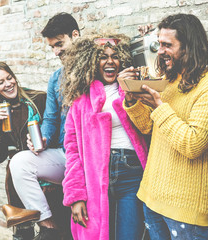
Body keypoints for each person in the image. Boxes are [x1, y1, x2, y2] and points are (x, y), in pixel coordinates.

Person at [119, 13, 208, 239]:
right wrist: (131, 100)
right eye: (159, 44)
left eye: (167, 45)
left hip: (184, 208)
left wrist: (159, 107)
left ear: (189, 47)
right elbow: (148, 128)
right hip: (152, 197)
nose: (160, 51)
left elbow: (192, 144)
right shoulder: (170, 78)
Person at [61, 34, 149, 240]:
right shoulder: (80, 99)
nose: (110, 61)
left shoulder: (132, 88)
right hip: (95, 178)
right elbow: (72, 148)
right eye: (102, 57)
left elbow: (147, 127)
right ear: (91, 61)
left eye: (115, 56)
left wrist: (129, 91)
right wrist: (75, 196)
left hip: (131, 173)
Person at [9, 12, 80, 240]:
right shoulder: (55, 78)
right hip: (66, 154)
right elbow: (50, 119)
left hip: (93, 156)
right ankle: (49, 227)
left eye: (60, 44)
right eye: (52, 47)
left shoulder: (97, 67)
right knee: (19, 162)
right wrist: (43, 140)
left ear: (75, 35)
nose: (56, 52)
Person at [0, 61, 46, 239]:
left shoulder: (38, 99)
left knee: (52, 229)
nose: (8, 84)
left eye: (9, 78)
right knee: (23, 233)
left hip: (46, 176)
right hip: (16, 181)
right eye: (1, 82)